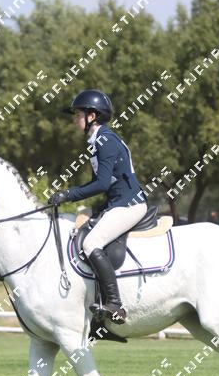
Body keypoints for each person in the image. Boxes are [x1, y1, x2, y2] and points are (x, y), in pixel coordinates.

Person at [47, 90, 148, 324]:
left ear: (92, 116)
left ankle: (115, 305)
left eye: (78, 114)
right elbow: (102, 183)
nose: (74, 119)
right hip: (116, 203)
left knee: (91, 243)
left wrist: (68, 194)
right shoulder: (97, 141)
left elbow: (101, 184)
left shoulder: (106, 141)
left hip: (129, 204)